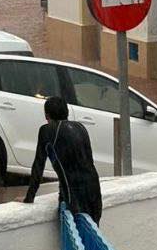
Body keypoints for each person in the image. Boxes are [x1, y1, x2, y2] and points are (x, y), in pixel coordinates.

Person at [23, 96, 103, 224]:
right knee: (92, 234)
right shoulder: (80, 127)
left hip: (73, 194)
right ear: (67, 112)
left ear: (46, 115)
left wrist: (29, 197)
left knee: (77, 236)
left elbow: (38, 165)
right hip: (94, 190)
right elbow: (86, 160)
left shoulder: (46, 130)